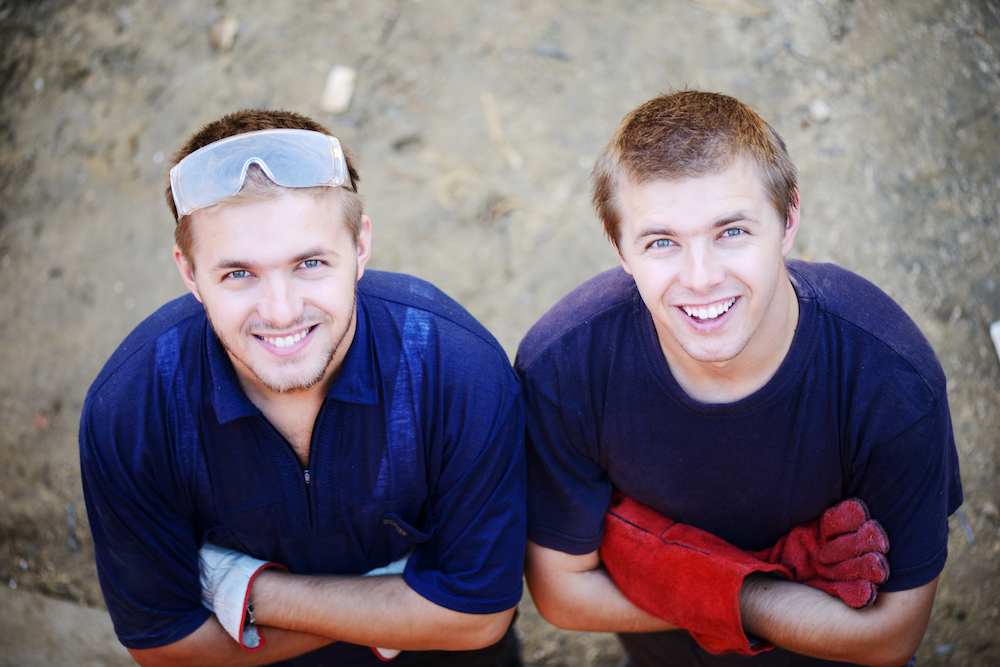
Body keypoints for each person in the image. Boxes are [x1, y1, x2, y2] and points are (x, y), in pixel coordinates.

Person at [516, 91, 963, 667]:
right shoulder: (562, 367)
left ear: (789, 220)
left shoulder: (890, 384)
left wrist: (674, 576)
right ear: (619, 249)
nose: (700, 278)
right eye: (661, 242)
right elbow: (561, 596)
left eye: (731, 232)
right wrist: (749, 590)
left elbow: (890, 636)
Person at [80, 109, 526, 667]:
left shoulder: (456, 370)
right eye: (238, 274)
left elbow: (477, 617)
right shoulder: (132, 410)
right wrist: (403, 605)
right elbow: (168, 647)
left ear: (360, 246)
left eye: (310, 263)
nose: (282, 312)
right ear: (189, 273)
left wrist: (247, 592)